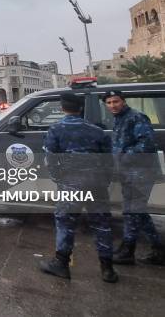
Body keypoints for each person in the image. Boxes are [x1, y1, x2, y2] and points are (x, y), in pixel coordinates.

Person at [39, 93, 118, 283]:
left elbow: (50, 160)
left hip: (71, 184)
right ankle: (107, 269)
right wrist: (104, 181)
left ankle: (61, 264)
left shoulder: (56, 129)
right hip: (97, 184)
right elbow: (109, 160)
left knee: (66, 223)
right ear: (80, 109)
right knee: (102, 225)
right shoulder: (97, 131)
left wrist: (59, 179)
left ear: (62, 108)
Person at [103, 90, 165, 265]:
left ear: (123, 101)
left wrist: (122, 156)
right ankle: (159, 250)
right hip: (128, 172)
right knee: (139, 212)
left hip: (141, 172)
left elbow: (147, 144)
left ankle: (128, 250)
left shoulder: (136, 117)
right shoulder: (119, 119)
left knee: (132, 211)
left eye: (116, 101)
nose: (113, 105)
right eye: (109, 103)